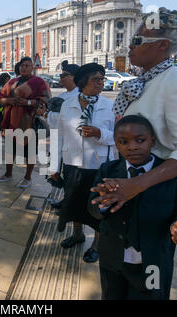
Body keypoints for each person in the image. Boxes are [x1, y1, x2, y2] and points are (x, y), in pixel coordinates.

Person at [95, 8, 177, 212]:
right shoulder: (148, 80)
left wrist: (137, 184)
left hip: (158, 191)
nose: (130, 45)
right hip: (134, 179)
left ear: (162, 45)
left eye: (138, 40)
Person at [89, 115, 177, 300]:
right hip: (112, 260)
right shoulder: (108, 171)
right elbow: (93, 211)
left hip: (153, 263)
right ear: (116, 144)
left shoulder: (174, 176)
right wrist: (102, 203)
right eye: (123, 142)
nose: (132, 147)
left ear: (152, 141)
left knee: (152, 296)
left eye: (140, 140)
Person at [56, 63, 115, 264]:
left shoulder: (109, 106)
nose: (101, 83)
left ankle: (96, 245)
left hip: (98, 166)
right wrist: (53, 167)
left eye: (102, 79)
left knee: (97, 209)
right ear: (83, 82)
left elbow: (120, 137)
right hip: (72, 162)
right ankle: (77, 234)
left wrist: (100, 134)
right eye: (96, 79)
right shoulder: (67, 104)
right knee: (74, 203)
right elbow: (59, 136)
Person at [0, 57, 51, 188]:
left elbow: (46, 99)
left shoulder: (39, 82)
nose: (24, 68)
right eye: (22, 65)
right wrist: (10, 101)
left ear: (32, 67)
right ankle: (8, 174)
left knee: (29, 151)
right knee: (10, 150)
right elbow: (0, 98)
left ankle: (28, 177)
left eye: (27, 65)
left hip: (29, 121)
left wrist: (27, 102)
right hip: (11, 121)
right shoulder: (12, 82)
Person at [48, 60, 80, 211]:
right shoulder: (63, 95)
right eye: (61, 75)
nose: (61, 78)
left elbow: (66, 120)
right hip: (58, 140)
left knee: (71, 177)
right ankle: (66, 202)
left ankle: (69, 205)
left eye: (64, 75)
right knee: (59, 173)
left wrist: (50, 114)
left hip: (71, 143)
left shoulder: (79, 96)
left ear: (75, 77)